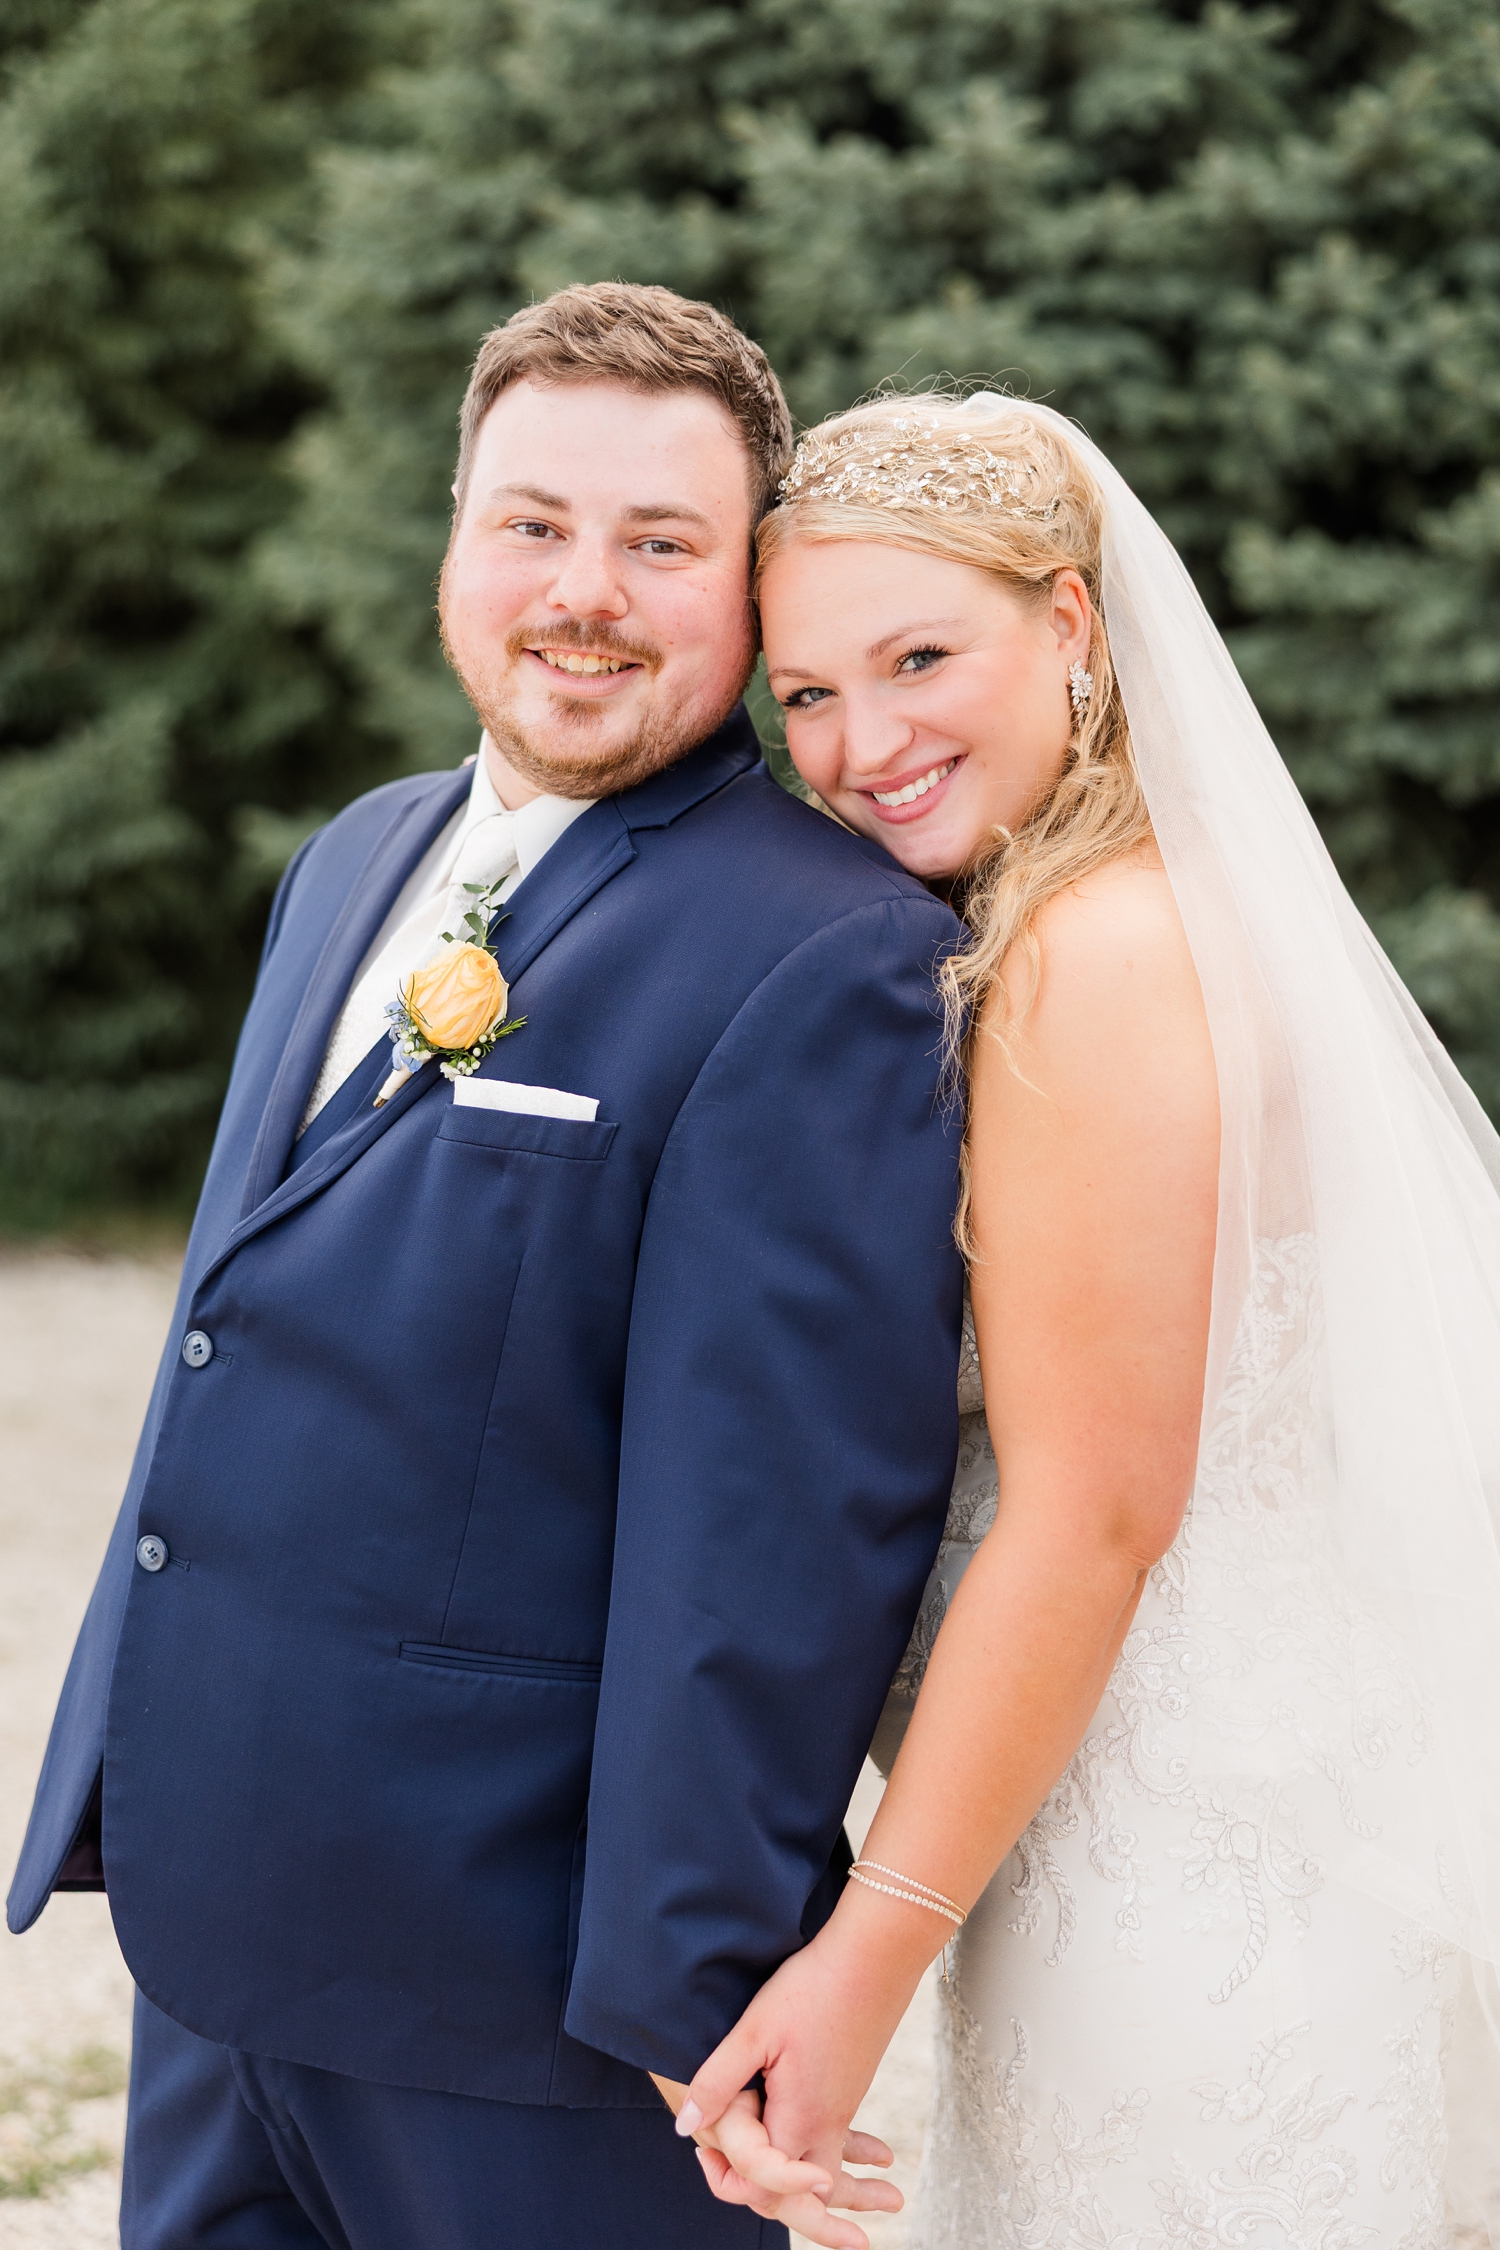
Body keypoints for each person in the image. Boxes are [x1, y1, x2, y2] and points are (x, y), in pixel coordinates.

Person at [4, 286, 967, 2250]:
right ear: (456, 529)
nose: (582, 594)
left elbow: (776, 1535)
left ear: (751, 584)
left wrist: (690, 1999)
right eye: (532, 523)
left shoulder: (827, 952)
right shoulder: (356, 856)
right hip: (220, 1941)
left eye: (662, 544)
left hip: (527, 2011)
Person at [670, 394, 1500, 2248]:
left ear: (1068, 621)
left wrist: (866, 1949)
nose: (861, 744)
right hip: (1229, 1808)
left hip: (1192, 1872)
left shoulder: (1091, 958)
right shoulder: (1142, 906)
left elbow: (1093, 1513)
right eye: (804, 693)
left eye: (917, 658)